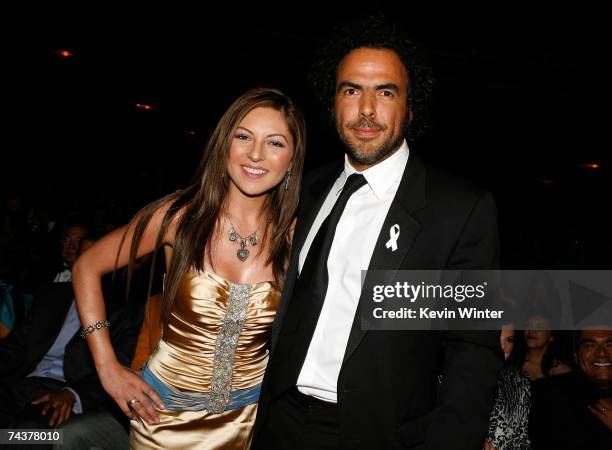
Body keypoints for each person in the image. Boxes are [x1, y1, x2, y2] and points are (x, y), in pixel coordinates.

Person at [252, 17, 503, 450]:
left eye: (385, 92)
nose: (367, 109)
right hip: (279, 423)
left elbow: (473, 351)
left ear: (410, 106)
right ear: (333, 103)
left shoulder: (459, 207)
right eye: (352, 90)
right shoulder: (306, 188)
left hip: (380, 434)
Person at [72, 87, 306, 450]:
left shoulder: (298, 235)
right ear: (223, 144)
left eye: (275, 143)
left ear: (291, 160)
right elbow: (87, 266)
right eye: (243, 136)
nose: (256, 153)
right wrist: (107, 367)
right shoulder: (179, 217)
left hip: (248, 423)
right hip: (162, 417)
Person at [0, 233, 142, 444]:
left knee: (26, 435)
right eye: (82, 256)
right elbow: (16, 346)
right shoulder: (51, 296)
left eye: (94, 257)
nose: (85, 264)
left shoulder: (126, 312)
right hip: (24, 383)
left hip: (64, 393)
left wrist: (72, 394)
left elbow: (118, 370)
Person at [529, 327, 612, 448]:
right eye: (589, 345)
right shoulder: (547, 394)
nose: (601, 353)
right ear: (575, 355)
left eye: (610, 344)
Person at [485, 324, 531, 450]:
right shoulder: (454, 376)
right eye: (497, 338)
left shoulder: (519, 381)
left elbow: (521, 438)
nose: (503, 347)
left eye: (509, 340)